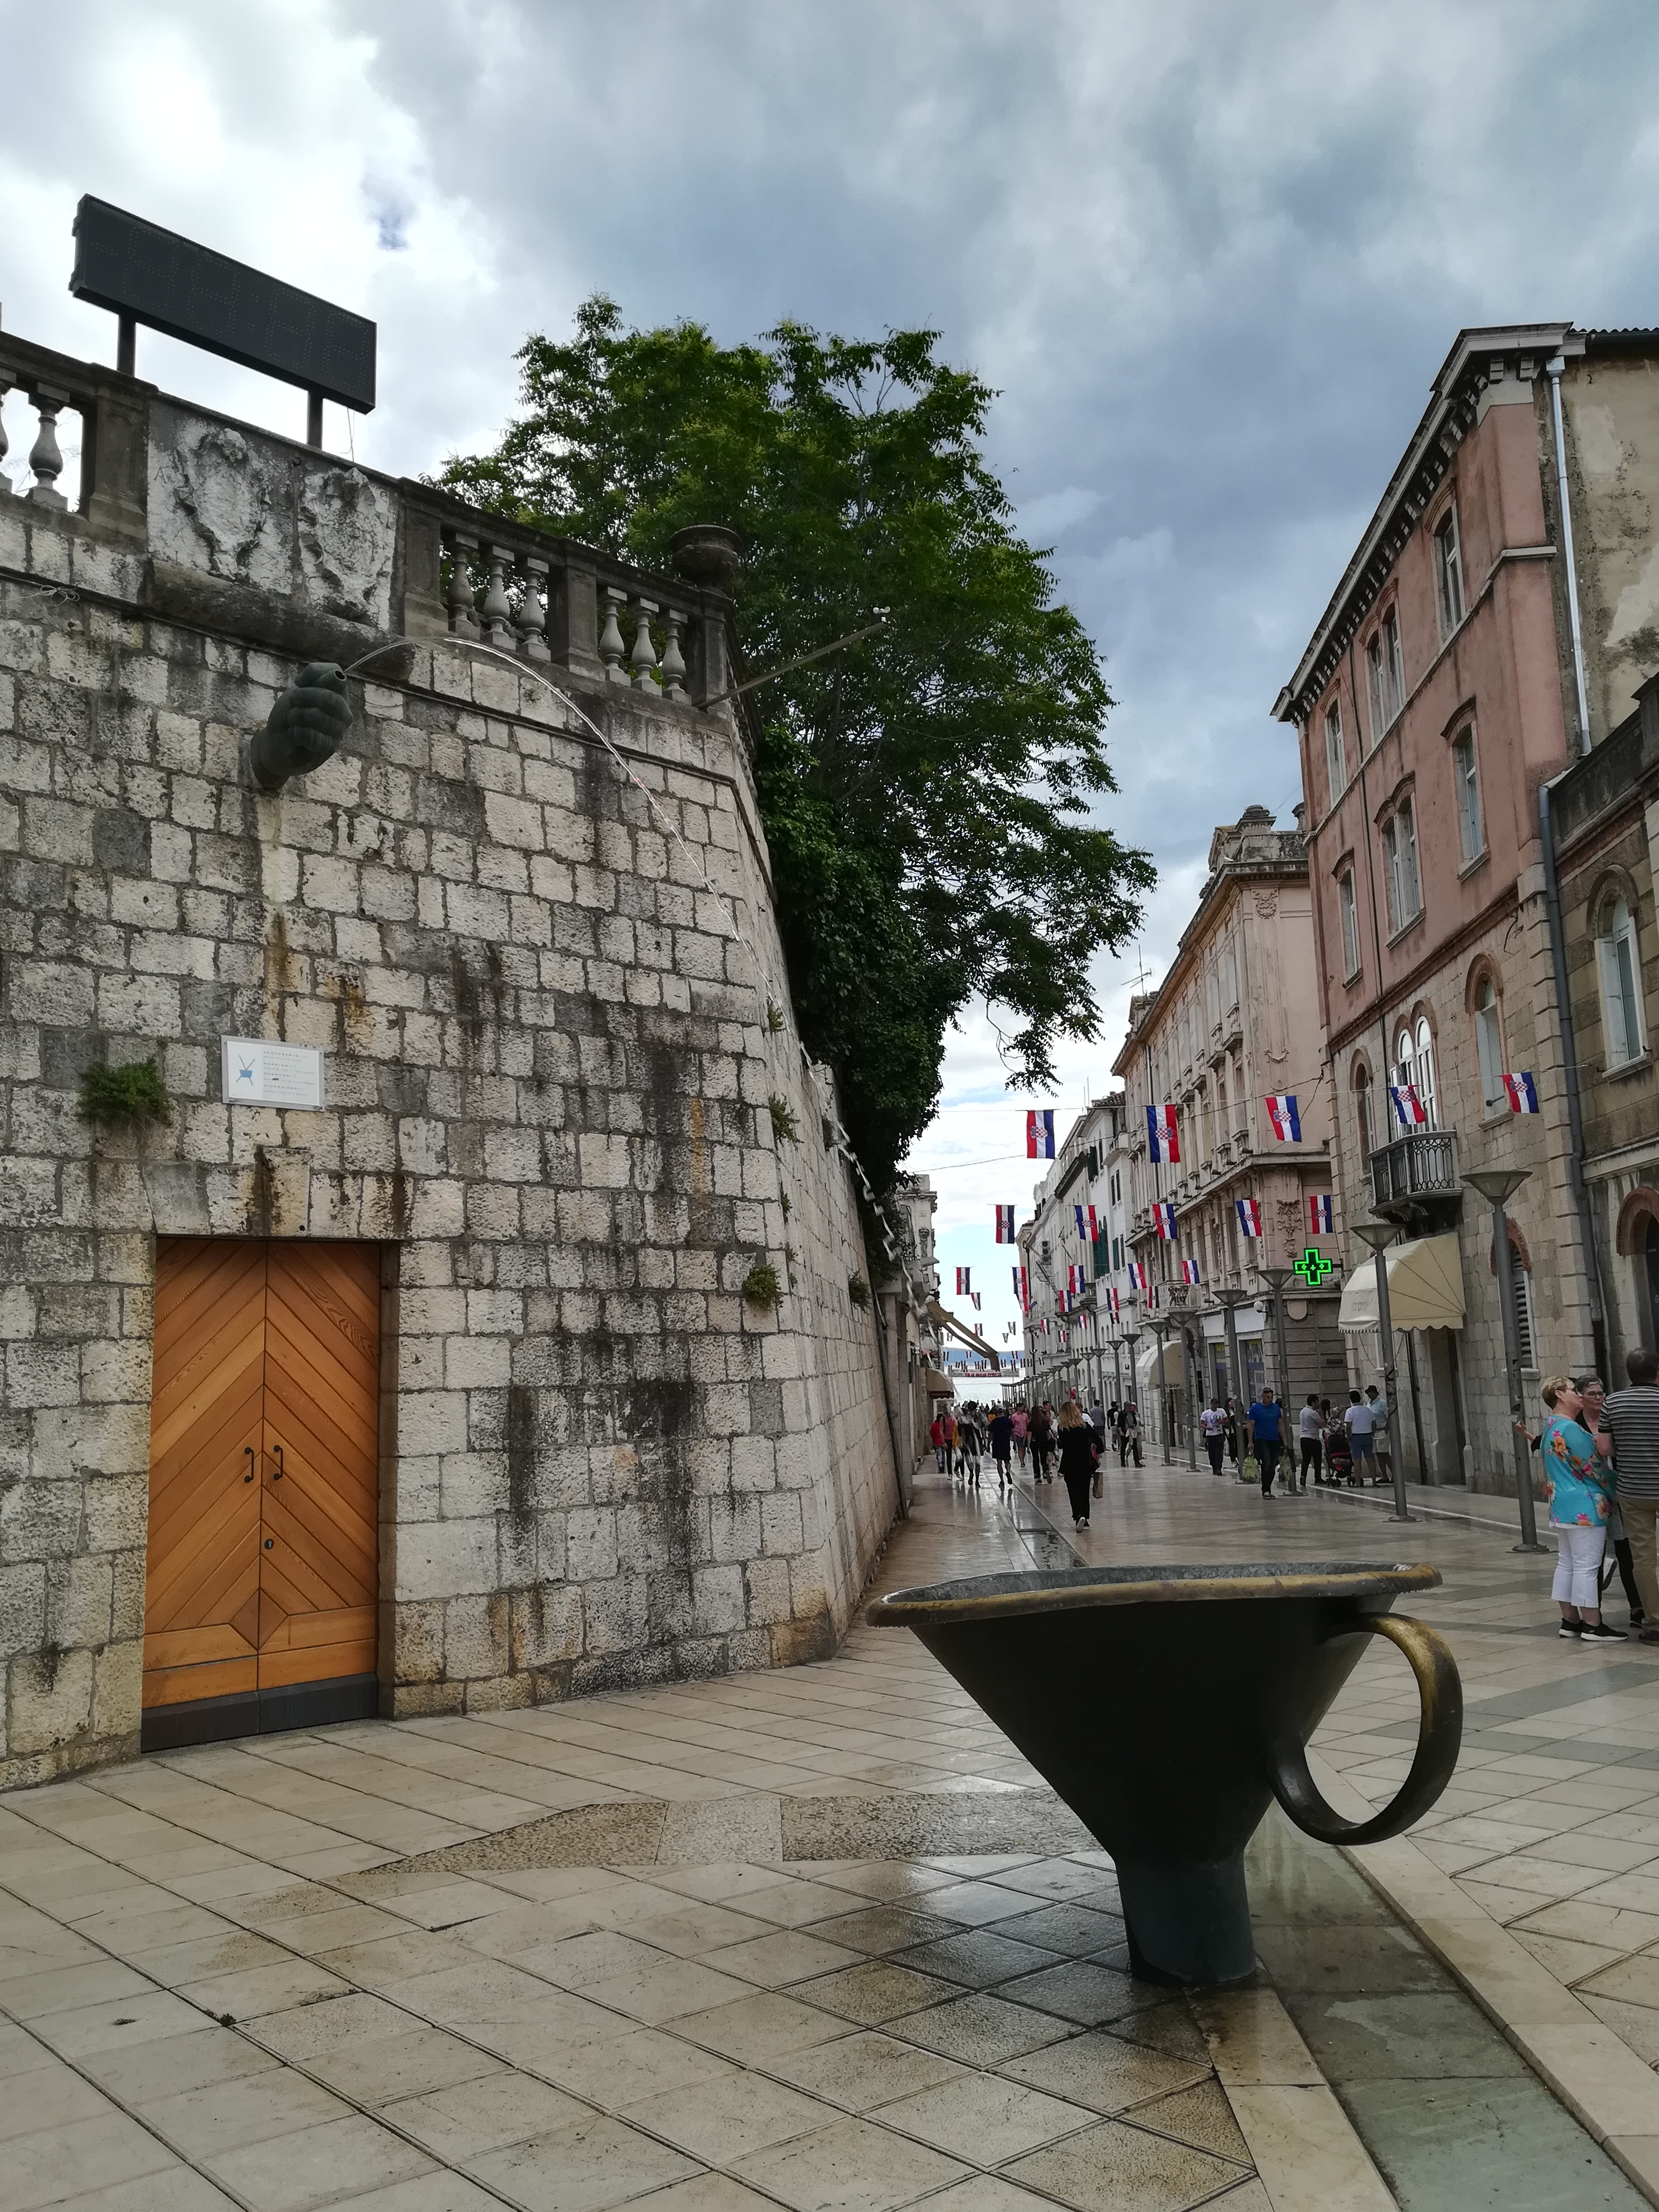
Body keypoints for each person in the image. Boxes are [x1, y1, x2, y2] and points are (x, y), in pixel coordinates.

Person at [1539, 1376, 1620, 1642]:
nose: (1579, 1395)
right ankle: (1593, 1624)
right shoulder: (1572, 1430)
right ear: (1560, 1395)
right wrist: (1617, 1488)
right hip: (1585, 1505)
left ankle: (1570, 1621)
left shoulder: (1551, 1426)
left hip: (1561, 1503)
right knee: (1587, 1565)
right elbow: (1594, 1468)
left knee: (1567, 1563)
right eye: (1574, 1390)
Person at [1594, 1346, 1659, 1646]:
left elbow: (1605, 1449)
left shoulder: (1613, 1403)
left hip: (1633, 1491)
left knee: (1643, 1558)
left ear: (1629, 1374)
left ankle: (1654, 1623)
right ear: (1657, 1373)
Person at [1057, 1399, 1099, 1529]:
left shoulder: (1062, 1429)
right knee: (1084, 1491)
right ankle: (1085, 1518)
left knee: (1073, 1491)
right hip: (1085, 1464)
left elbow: (1062, 1445)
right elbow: (1098, 1441)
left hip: (1069, 1465)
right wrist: (1098, 1454)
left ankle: (1078, 1516)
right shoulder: (1085, 1427)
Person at [1246, 1386, 1286, 1497]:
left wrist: (1285, 1440)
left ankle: (1267, 1486)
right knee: (1267, 1461)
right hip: (1261, 1439)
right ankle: (1266, 1489)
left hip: (1274, 1439)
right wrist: (1250, 1442)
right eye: (1268, 1397)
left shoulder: (1276, 1408)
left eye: (1271, 1397)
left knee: (1273, 1464)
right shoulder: (1255, 1408)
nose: (1270, 1399)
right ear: (1263, 1396)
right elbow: (1251, 1426)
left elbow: (1281, 1425)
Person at [1343, 1389, 1376, 1479]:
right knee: (1370, 1459)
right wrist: (1372, 1433)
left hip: (1355, 1437)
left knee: (1357, 1460)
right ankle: (1374, 1481)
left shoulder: (1350, 1411)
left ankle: (1358, 1481)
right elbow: (1374, 1424)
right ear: (1360, 1398)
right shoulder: (1368, 1410)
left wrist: (1348, 1437)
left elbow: (1349, 1426)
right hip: (1368, 1436)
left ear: (1351, 1400)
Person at [1297, 1394, 1323, 1492]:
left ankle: (1303, 1476)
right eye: (1317, 1402)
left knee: (1306, 1459)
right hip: (1313, 1438)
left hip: (1303, 1437)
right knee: (1317, 1459)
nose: (1319, 1404)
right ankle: (1318, 1478)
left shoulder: (1302, 1411)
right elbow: (1321, 1424)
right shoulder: (1313, 1413)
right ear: (1313, 1403)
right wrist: (1322, 1414)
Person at [1367, 1384, 1391, 1483]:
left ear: (1376, 1393)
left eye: (1372, 1392)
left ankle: (1395, 1474)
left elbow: (1389, 1416)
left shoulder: (1382, 1403)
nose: (1370, 1394)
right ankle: (1384, 1476)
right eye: (1369, 1392)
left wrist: (1386, 1429)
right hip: (1374, 1432)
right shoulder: (1368, 1404)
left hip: (1382, 1431)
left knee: (1384, 1454)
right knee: (1378, 1454)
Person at [989, 1404, 1014, 1489]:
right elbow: (1013, 1431)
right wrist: (1014, 1443)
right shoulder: (1008, 1421)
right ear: (1004, 1411)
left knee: (999, 1463)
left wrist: (987, 1445)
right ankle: (1008, 1471)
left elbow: (991, 1434)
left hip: (997, 1443)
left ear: (997, 1412)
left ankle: (1002, 1481)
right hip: (1006, 1443)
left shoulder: (994, 1422)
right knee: (1007, 1461)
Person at [1199, 1397, 1226, 1475]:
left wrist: (1222, 1422)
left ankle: (1219, 1468)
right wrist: (1207, 1428)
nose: (1215, 1405)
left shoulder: (1221, 1411)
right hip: (1210, 1435)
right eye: (1214, 1404)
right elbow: (1201, 1424)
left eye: (1217, 1404)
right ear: (1211, 1404)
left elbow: (1227, 1421)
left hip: (1219, 1434)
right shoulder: (1206, 1413)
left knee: (1219, 1452)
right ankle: (1214, 1467)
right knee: (1212, 1453)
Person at [1118, 1398, 1143, 1467]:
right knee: (1123, 1447)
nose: (1130, 1408)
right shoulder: (1122, 1414)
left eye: (1130, 1406)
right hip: (1125, 1433)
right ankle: (1123, 1462)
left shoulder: (1132, 1414)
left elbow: (1135, 1421)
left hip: (1132, 1432)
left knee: (1135, 1447)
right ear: (1125, 1407)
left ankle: (1137, 1462)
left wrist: (1134, 1426)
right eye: (1129, 1406)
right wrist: (1121, 1432)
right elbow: (1119, 1424)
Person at [1011, 1403, 1029, 1469]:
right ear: (1018, 1407)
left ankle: (1023, 1458)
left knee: (1024, 1448)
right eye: (1022, 1407)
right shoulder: (1014, 1416)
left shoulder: (1025, 1415)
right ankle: (1022, 1462)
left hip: (1024, 1433)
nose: (1023, 1408)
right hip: (1017, 1433)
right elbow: (1012, 1426)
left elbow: (1027, 1424)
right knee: (1020, 1447)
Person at [929, 1410, 947, 1474]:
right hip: (943, 1442)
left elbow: (932, 1433)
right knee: (943, 1454)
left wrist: (934, 1439)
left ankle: (940, 1465)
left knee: (939, 1454)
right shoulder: (944, 1425)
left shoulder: (934, 1425)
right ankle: (943, 1465)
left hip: (937, 1442)